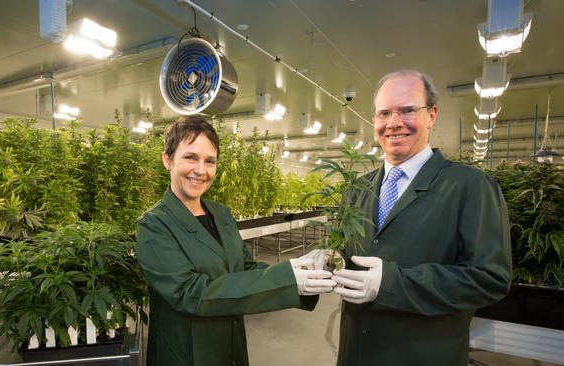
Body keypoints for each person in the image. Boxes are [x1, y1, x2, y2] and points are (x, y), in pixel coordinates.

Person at [330, 70, 512, 366]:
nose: (393, 123)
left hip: (422, 354)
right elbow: (347, 252)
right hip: (356, 352)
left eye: (407, 110)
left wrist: (391, 282)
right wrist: (328, 259)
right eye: (384, 113)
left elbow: (490, 278)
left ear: (432, 115)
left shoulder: (471, 187)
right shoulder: (356, 189)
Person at [135, 115, 335, 366]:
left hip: (231, 347)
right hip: (187, 353)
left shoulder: (221, 214)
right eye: (190, 157)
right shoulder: (154, 225)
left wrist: (303, 273)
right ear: (167, 159)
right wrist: (287, 277)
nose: (201, 170)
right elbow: (191, 292)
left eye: (210, 161)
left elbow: (246, 269)